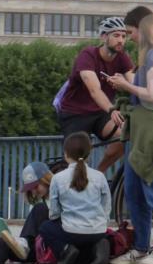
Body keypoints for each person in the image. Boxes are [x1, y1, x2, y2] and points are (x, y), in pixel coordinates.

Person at [107, 5, 153, 264]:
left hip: (150, 133)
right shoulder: (150, 56)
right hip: (140, 131)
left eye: (131, 31)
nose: (129, 37)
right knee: (135, 192)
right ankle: (140, 247)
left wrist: (125, 85)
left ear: (143, 29)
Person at [55, 16, 133, 173]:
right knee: (76, 161)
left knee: (128, 135)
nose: (121, 40)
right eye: (116, 35)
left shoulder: (122, 57)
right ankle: (66, 181)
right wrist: (112, 110)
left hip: (99, 113)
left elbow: (136, 85)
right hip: (75, 113)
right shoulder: (88, 55)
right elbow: (94, 90)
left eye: (124, 36)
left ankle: (99, 173)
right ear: (104, 37)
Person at [39, 132, 112, 264]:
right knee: (91, 237)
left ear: (66, 154)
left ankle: (66, 250)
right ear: (89, 154)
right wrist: (102, 222)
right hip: (97, 231)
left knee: (45, 227)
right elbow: (106, 204)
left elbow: (54, 212)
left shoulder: (58, 178)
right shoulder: (100, 176)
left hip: (71, 233)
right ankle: (99, 245)